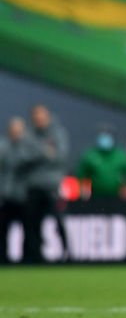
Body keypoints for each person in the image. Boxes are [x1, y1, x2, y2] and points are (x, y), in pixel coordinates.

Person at [24, 104, 71, 263]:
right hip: (33, 186)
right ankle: (34, 255)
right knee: (32, 223)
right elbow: (23, 158)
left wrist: (39, 153)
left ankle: (67, 253)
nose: (39, 119)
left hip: (52, 186)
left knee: (59, 220)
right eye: (36, 116)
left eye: (42, 115)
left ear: (48, 116)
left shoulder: (58, 133)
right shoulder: (28, 135)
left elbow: (59, 157)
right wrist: (45, 152)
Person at [0, 117, 38, 264]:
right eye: (13, 129)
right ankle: (3, 258)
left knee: (29, 230)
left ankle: (29, 258)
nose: (15, 132)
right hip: (6, 195)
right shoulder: (4, 145)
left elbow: (35, 158)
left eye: (19, 129)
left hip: (25, 196)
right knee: (3, 230)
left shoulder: (29, 146)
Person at [78, 125, 126, 200]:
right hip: (94, 198)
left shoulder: (121, 156)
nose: (105, 138)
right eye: (103, 135)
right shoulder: (90, 155)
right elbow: (82, 175)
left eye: (108, 135)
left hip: (117, 198)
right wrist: (83, 188)